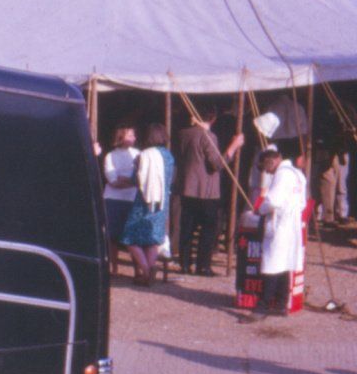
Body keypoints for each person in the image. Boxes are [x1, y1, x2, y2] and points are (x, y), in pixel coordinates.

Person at [174, 105, 240, 275]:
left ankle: (185, 263)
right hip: (206, 191)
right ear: (213, 118)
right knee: (208, 229)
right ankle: (203, 266)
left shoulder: (183, 134)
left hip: (187, 187)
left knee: (187, 228)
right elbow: (217, 164)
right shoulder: (208, 136)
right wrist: (233, 146)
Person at [254, 145, 308, 315]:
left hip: (280, 224)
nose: (267, 173)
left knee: (271, 265)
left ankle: (262, 307)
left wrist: (260, 209)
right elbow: (303, 202)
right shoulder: (297, 173)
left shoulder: (282, 175)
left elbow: (273, 200)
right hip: (292, 224)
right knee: (284, 264)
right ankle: (281, 303)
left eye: (266, 168)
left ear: (271, 162)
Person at [122, 123, 172, 286]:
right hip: (162, 201)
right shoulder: (169, 156)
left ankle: (146, 269)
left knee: (129, 236)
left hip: (144, 201)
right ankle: (148, 274)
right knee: (152, 239)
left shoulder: (144, 155)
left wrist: (135, 167)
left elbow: (137, 180)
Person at [101, 126, 138, 271]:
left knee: (133, 236)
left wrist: (124, 179)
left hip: (132, 198)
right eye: (130, 135)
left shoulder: (138, 154)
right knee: (112, 236)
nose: (133, 138)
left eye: (133, 135)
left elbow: (140, 179)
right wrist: (130, 181)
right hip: (113, 199)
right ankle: (113, 267)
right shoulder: (110, 156)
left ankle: (137, 270)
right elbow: (112, 181)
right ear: (121, 138)